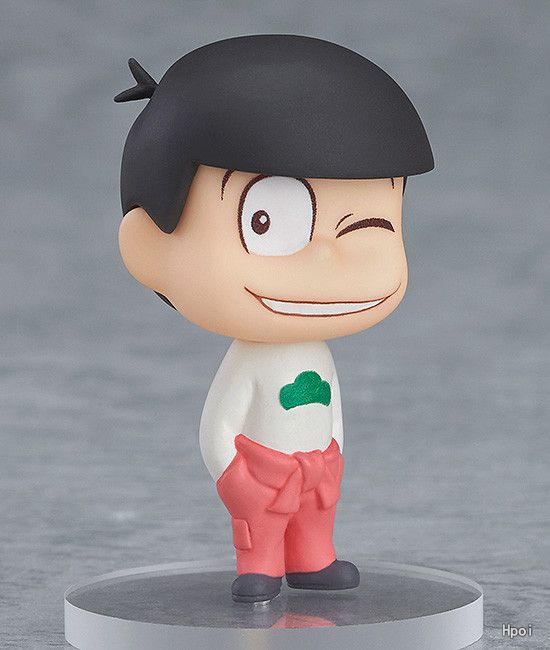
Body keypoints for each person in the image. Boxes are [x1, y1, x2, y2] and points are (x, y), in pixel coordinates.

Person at [115, 34, 433, 603]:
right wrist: (231, 474)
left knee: (315, 522)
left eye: (373, 226)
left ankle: (313, 560)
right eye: (264, 222)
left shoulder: (318, 354)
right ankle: (259, 566)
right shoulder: (250, 362)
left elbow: (333, 408)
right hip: (260, 473)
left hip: (317, 468)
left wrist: (334, 453)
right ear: (148, 245)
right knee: (260, 526)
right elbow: (217, 427)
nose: (332, 258)